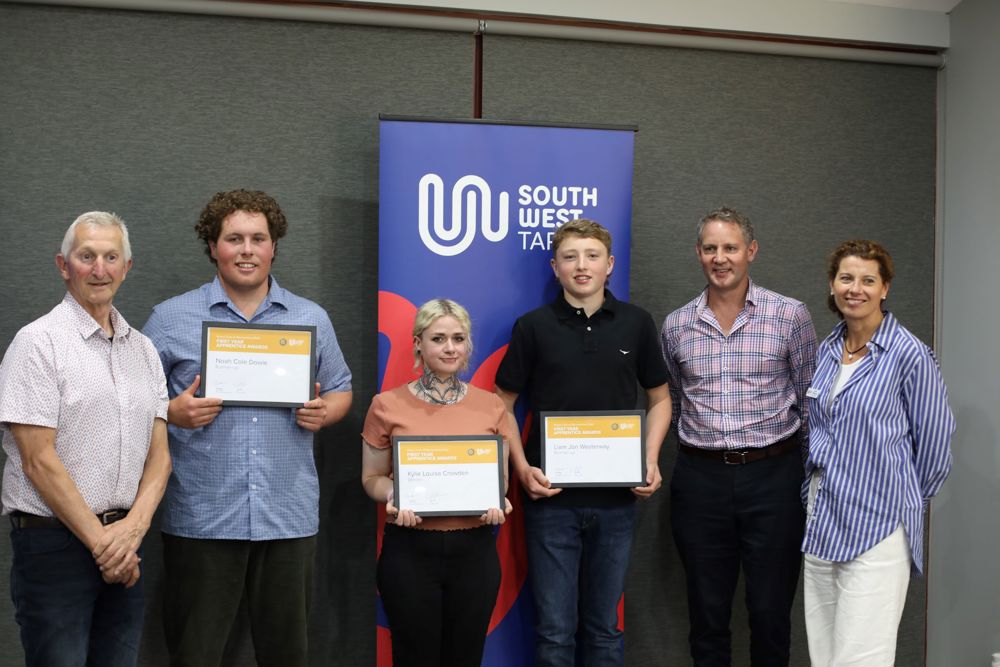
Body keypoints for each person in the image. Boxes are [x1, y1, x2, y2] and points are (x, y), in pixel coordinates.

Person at [143, 189, 352, 667]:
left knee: (287, 655)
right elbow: (135, 403)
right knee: (194, 654)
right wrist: (172, 412)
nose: (247, 250)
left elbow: (341, 388)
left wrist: (327, 411)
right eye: (234, 238)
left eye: (258, 238)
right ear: (213, 246)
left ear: (273, 246)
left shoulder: (310, 317)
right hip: (202, 514)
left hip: (287, 514)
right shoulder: (170, 318)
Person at [495, 218, 671, 666]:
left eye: (592, 256)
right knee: (555, 632)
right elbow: (502, 403)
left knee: (604, 629)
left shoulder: (636, 323)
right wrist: (521, 470)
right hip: (551, 499)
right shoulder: (532, 326)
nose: (581, 266)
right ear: (555, 267)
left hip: (618, 501)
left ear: (609, 265)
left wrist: (649, 460)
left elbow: (661, 398)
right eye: (570, 257)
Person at [0, 211, 171, 667]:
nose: (100, 269)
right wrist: (104, 545)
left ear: (127, 267)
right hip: (55, 548)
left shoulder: (144, 351)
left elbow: (160, 458)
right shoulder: (37, 344)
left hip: (123, 541)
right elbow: (38, 461)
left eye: (111, 256)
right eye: (86, 256)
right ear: (63, 265)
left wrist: (131, 531)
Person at [660, 206, 817, 667]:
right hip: (701, 481)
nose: (720, 258)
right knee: (707, 615)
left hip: (774, 478)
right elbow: (673, 400)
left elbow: (809, 403)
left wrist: (804, 481)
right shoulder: (677, 325)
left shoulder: (790, 316)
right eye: (710, 248)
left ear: (751, 251)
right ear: (698, 253)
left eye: (730, 247)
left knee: (770, 614)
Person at [801, 240, 954, 666]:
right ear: (832, 286)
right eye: (846, 278)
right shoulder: (828, 351)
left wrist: (895, 495)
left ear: (884, 288)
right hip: (824, 520)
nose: (856, 289)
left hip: (879, 530)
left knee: (862, 659)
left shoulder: (909, 355)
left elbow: (936, 446)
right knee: (826, 656)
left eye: (868, 280)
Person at [361, 298, 513, 667]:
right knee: (414, 657)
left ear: (468, 345)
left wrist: (501, 502)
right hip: (410, 551)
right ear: (418, 343)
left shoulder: (491, 407)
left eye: (458, 339)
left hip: (474, 552)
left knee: (465, 656)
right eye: (438, 338)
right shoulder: (386, 405)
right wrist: (395, 493)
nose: (449, 348)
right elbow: (371, 479)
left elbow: (501, 485)